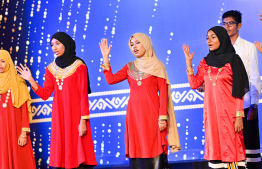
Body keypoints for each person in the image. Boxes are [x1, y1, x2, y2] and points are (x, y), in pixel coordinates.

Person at [99, 33, 181, 169]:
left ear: (146, 43)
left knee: (155, 147)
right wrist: (106, 58)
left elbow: (164, 92)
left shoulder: (157, 66)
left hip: (153, 115)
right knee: (137, 148)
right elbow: (111, 79)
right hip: (134, 117)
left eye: (137, 43)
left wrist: (162, 118)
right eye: (131, 44)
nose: (134, 47)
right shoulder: (129, 66)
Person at [17, 32, 97, 169]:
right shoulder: (50, 69)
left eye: (58, 43)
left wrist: (83, 121)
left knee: (80, 158)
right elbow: (45, 94)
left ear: (66, 43)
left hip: (77, 117)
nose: (54, 47)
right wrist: (30, 79)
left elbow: (84, 95)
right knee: (63, 158)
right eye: (52, 45)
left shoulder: (79, 66)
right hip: (60, 117)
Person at [183, 26, 249, 169]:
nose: (209, 41)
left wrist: (239, 116)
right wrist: (189, 63)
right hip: (212, 115)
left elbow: (239, 90)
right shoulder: (205, 62)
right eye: (207, 37)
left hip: (229, 114)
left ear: (222, 38)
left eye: (213, 37)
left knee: (232, 149)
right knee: (216, 152)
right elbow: (195, 84)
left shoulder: (233, 59)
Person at [221, 10, 261, 169]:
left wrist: (254, 105)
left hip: (245, 105)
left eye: (230, 23)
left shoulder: (248, 47)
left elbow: (254, 77)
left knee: (249, 147)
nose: (226, 27)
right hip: (226, 107)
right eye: (224, 23)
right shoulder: (219, 49)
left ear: (239, 25)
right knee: (231, 149)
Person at [0, 49, 36, 169]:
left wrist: (24, 133)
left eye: (3, 61)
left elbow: (24, 111)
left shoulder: (18, 81)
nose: (0, 65)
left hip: (16, 130)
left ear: (9, 62)